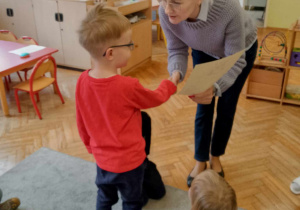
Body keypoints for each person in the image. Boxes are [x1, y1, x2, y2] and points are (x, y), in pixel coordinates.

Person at [76, 4, 177, 210]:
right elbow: (156, 98)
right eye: (129, 44)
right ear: (111, 53)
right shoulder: (127, 86)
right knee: (132, 200)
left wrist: (90, 146)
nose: (132, 47)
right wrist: (171, 83)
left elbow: (81, 119)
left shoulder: (82, 81)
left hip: (102, 159)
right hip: (130, 163)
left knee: (104, 197)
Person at [158, 0, 258, 187]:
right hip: (204, 49)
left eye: (176, 2)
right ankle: (200, 160)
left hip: (239, 53)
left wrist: (215, 87)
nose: (167, 9)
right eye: (161, 0)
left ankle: (216, 156)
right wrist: (176, 74)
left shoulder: (229, 7)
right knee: (203, 107)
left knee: (226, 107)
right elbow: (176, 49)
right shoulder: (165, 12)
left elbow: (235, 61)